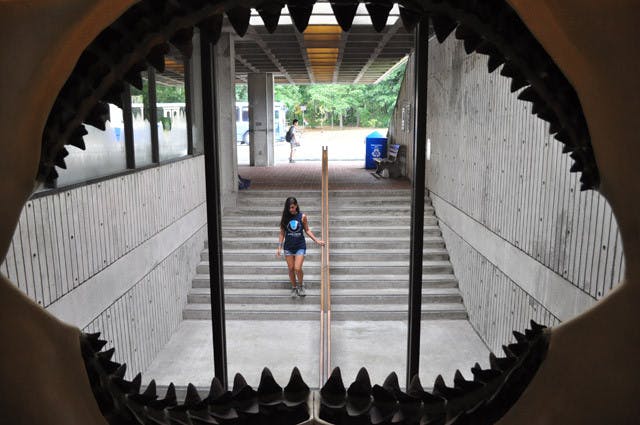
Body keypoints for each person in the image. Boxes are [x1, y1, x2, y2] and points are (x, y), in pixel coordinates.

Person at [276, 197, 325, 298]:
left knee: (297, 268)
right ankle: (294, 287)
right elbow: (282, 233)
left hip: (300, 246)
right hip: (288, 247)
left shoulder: (302, 216)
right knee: (291, 268)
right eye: (289, 208)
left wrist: (317, 240)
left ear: (296, 205)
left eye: (293, 207)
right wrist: (279, 247)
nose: (291, 210)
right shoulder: (285, 217)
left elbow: (307, 230)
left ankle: (301, 285)